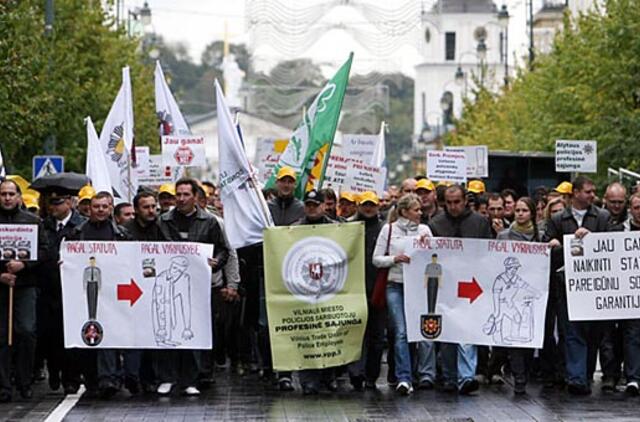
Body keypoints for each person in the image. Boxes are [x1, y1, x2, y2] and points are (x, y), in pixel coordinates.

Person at [157, 178, 229, 396]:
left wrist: (217, 262)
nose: (181, 199)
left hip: (198, 286)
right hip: (169, 283)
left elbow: (224, 250)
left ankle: (191, 379)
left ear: (195, 197)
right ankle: (168, 377)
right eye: (178, 194)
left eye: (186, 194)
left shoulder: (210, 222)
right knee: (169, 327)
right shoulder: (163, 221)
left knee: (192, 330)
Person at [544, 175, 612, 395]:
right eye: (588, 191)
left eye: (593, 191)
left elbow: (612, 245)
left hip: (594, 286)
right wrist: (554, 244)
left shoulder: (602, 217)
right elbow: (548, 248)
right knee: (571, 331)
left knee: (593, 333)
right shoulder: (558, 219)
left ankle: (584, 373)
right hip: (566, 285)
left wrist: (592, 240)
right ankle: (576, 378)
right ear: (575, 193)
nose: (593, 195)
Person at [67, 191, 132, 398]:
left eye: (105, 206)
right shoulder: (77, 232)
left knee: (109, 334)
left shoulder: (121, 234)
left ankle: (108, 378)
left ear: (111, 208)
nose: (101, 210)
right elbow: (63, 255)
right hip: (84, 291)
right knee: (87, 334)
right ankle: (92, 378)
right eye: (97, 206)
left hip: (112, 292)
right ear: (89, 208)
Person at [428, 185, 492, 395]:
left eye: (457, 202)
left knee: (466, 332)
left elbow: (488, 252)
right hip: (445, 286)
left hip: (471, 285)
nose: (453, 206)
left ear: (465, 200)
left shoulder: (480, 222)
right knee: (447, 334)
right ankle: (449, 376)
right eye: (449, 202)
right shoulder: (436, 223)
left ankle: (466, 377)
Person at [373, 194, 434, 396]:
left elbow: (434, 257)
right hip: (395, 286)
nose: (420, 213)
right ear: (404, 211)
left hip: (418, 287)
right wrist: (394, 259)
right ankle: (404, 377)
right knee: (400, 331)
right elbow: (376, 259)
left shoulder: (425, 229)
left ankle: (425, 373)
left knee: (423, 330)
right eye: (416, 210)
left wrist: (427, 245)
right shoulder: (388, 230)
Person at [0, 180, 46, 402]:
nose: (7, 198)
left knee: (26, 332)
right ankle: (3, 385)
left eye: (11, 194)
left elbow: (45, 250)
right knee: (1, 335)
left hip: (25, 286)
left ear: (19, 196)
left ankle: (24, 380)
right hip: (1, 286)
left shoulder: (33, 222)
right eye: (3, 194)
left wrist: (24, 265)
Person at [293, 190, 339, 395]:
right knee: (308, 334)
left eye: (315, 205)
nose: (312, 208)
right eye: (308, 204)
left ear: (323, 206)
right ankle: (308, 379)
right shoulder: (294, 229)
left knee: (329, 333)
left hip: (330, 288)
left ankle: (329, 376)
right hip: (305, 289)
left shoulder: (336, 228)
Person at [40, 190, 86, 394]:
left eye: (58, 202)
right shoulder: (44, 225)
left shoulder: (81, 225)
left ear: (69, 203)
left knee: (71, 335)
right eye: (51, 203)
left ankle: (72, 377)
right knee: (50, 335)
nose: (54, 207)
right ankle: (54, 369)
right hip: (48, 286)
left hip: (72, 288)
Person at [495, 197, 542, 395]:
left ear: (532, 213)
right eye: (518, 210)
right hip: (509, 296)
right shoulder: (503, 236)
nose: (520, 214)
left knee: (529, 335)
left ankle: (524, 371)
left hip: (529, 298)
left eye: (524, 210)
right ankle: (519, 377)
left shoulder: (540, 237)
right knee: (513, 338)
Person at [123, 191, 167, 393]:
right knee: (133, 334)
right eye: (146, 207)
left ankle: (150, 378)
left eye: (153, 206)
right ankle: (131, 376)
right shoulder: (124, 231)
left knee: (153, 335)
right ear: (136, 210)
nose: (151, 211)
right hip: (132, 288)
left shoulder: (163, 228)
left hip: (155, 290)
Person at [347, 191, 384, 391]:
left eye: (372, 204)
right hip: (354, 289)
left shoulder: (384, 229)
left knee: (377, 337)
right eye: (365, 204)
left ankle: (371, 375)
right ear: (359, 206)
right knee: (355, 335)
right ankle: (355, 373)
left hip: (377, 288)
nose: (368, 208)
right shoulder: (348, 228)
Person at [621, 192, 640, 395]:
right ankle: (633, 378)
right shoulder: (619, 231)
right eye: (636, 207)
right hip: (631, 296)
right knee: (633, 335)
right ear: (630, 209)